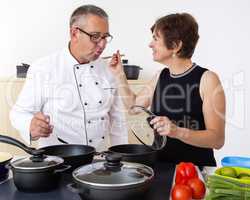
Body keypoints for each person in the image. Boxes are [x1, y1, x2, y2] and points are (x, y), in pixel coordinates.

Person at [109, 13, 225, 166]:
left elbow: (217, 140)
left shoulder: (207, 79)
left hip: (195, 171)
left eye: (156, 39)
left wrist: (177, 131)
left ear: (176, 46)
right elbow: (133, 107)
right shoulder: (160, 76)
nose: (150, 44)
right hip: (160, 166)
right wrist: (119, 74)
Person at [10, 5, 128, 151]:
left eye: (105, 37)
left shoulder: (109, 69)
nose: (102, 44)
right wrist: (31, 126)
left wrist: (122, 158)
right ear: (74, 33)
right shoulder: (44, 67)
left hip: (99, 163)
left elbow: (118, 122)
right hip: (57, 160)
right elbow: (19, 113)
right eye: (95, 36)